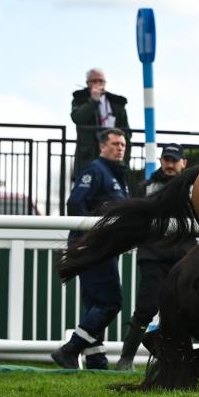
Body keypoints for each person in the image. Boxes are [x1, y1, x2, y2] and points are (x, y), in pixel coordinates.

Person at [52, 129, 129, 369]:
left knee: (96, 303)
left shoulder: (115, 174)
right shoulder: (96, 170)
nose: (120, 148)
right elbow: (75, 202)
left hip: (102, 246)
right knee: (110, 302)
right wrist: (90, 236)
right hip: (95, 247)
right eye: (115, 144)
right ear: (102, 147)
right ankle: (70, 349)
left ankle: (96, 359)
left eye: (123, 145)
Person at [116, 144, 197, 371]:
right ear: (161, 161)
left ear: (184, 163)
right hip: (154, 256)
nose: (170, 164)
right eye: (167, 159)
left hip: (183, 258)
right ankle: (126, 359)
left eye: (174, 160)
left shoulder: (195, 188)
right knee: (146, 308)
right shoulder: (144, 187)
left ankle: (180, 361)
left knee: (183, 309)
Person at [70, 68, 131, 179]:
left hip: (113, 153)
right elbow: (78, 118)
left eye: (101, 81)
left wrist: (120, 146)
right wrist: (93, 101)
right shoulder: (80, 99)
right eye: (94, 81)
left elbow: (127, 130)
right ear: (88, 83)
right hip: (88, 155)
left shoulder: (116, 103)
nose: (98, 84)